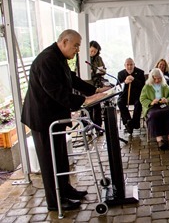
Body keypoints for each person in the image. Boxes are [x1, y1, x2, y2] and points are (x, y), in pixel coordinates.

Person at [21, 29, 110, 211]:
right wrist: (83, 100)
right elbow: (56, 92)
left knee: (60, 157)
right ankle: (55, 202)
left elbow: (72, 79)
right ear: (63, 42)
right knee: (49, 161)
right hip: (42, 119)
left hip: (54, 117)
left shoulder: (58, 57)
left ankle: (66, 189)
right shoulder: (47, 60)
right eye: (75, 45)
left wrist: (94, 91)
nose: (78, 49)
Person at [140, 68, 169, 150]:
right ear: (151, 78)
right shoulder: (147, 87)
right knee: (154, 115)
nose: (157, 80)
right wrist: (151, 102)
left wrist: (167, 100)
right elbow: (142, 99)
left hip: (163, 104)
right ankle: (159, 139)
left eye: (159, 78)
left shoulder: (164, 85)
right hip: (152, 106)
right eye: (155, 78)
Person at [117, 58, 145, 134]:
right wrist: (125, 82)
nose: (129, 67)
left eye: (131, 65)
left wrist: (134, 80)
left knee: (139, 103)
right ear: (125, 65)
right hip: (125, 95)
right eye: (127, 65)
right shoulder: (120, 74)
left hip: (137, 95)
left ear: (134, 65)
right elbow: (118, 88)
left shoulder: (140, 72)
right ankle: (128, 122)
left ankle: (135, 123)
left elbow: (143, 86)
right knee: (119, 102)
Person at [88, 40, 107, 135]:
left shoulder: (98, 58)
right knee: (88, 108)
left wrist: (101, 70)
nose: (92, 53)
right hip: (86, 85)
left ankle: (98, 127)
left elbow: (103, 69)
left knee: (97, 107)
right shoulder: (82, 57)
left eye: (95, 52)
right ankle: (88, 128)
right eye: (91, 51)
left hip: (97, 84)